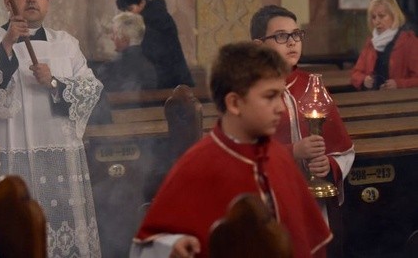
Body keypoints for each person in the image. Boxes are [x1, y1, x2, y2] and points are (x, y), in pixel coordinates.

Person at [131, 42, 331, 258]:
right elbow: (149, 243)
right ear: (234, 103)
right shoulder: (197, 166)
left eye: (280, 96)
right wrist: (172, 245)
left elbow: (307, 243)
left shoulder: (278, 157)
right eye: (270, 96)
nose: (280, 107)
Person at [0, 0, 103, 257]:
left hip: (59, 161)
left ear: (48, 1)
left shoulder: (66, 43)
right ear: (6, 1)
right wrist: (8, 44)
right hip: (10, 158)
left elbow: (91, 90)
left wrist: (53, 82)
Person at [250, 5, 354, 210]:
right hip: (267, 202)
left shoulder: (312, 85)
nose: (292, 42)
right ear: (258, 46)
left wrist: (329, 164)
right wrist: (292, 151)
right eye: (281, 36)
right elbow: (242, 154)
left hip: (313, 203)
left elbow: (342, 149)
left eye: (296, 35)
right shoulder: (247, 90)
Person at [116, 0, 194, 88]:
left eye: (130, 9)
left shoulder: (153, 20)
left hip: (167, 82)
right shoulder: (156, 16)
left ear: (142, 3)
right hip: (175, 79)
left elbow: (153, 53)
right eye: (125, 11)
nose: (128, 14)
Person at [350, 0, 418, 90]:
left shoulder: (409, 41)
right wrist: (364, 80)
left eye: (381, 16)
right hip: (372, 97)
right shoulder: (371, 42)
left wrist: (399, 84)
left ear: (394, 16)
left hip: (400, 99)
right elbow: (356, 74)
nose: (377, 21)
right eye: (374, 17)